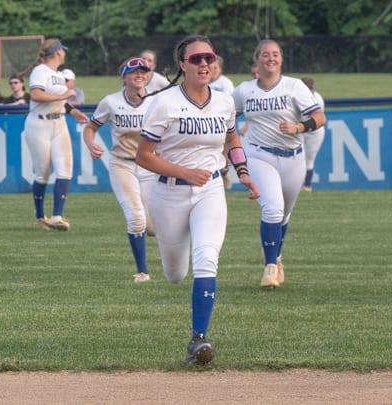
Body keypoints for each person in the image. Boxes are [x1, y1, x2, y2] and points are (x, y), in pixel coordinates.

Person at [136, 35, 260, 365]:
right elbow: (143, 156)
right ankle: (176, 270)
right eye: (196, 59)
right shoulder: (163, 103)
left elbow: (232, 137)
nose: (204, 63)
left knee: (207, 258)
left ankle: (198, 340)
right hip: (168, 192)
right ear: (183, 64)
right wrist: (185, 172)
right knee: (175, 272)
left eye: (208, 57)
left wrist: (243, 170)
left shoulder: (222, 101)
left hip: (210, 189)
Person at [232, 39, 326, 289]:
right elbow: (226, 115)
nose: (270, 58)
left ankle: (276, 256)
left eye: (275, 54)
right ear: (257, 60)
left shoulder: (294, 86)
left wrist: (299, 126)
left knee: (284, 215)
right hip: (258, 154)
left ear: (281, 59)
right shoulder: (244, 90)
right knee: (272, 208)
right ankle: (270, 267)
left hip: (293, 156)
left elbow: (319, 117)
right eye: (265, 54)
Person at [82, 57, 156, 283]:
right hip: (122, 163)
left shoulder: (157, 101)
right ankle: (142, 272)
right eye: (134, 71)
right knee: (136, 218)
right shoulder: (111, 102)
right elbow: (90, 128)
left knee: (155, 225)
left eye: (143, 71)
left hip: (150, 165)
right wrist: (90, 143)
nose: (139, 75)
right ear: (124, 77)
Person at [23, 38, 89, 231]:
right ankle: (40, 215)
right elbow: (36, 95)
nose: (65, 54)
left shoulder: (59, 75)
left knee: (64, 168)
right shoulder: (40, 71)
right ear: (58, 52)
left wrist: (73, 111)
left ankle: (57, 216)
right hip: (39, 123)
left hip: (59, 122)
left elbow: (59, 101)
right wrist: (63, 95)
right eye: (63, 51)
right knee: (42, 173)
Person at [209, 56, 236, 190]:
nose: (213, 70)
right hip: (206, 123)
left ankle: (223, 171)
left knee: (222, 150)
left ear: (220, 69)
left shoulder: (225, 83)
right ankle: (220, 172)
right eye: (211, 67)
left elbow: (231, 104)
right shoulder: (203, 83)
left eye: (216, 68)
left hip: (221, 123)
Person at [300, 76, 326, 192]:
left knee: (309, 158)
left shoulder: (317, 99)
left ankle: (307, 185)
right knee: (297, 158)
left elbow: (317, 119)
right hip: (300, 130)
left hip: (315, 132)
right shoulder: (297, 97)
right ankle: (296, 185)